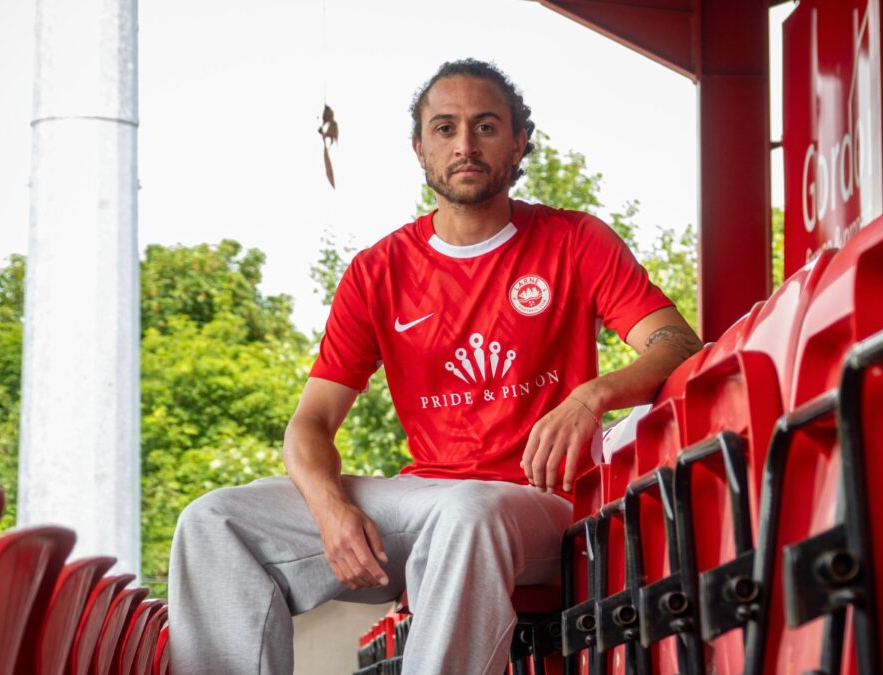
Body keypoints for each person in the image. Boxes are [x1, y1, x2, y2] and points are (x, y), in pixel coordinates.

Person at [168, 58, 702, 675]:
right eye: (445, 128)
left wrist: (591, 396)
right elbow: (309, 425)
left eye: (486, 126)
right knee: (213, 521)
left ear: (519, 142)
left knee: (468, 511)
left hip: (536, 501)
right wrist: (330, 509)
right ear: (419, 149)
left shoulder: (575, 241)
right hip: (423, 499)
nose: (465, 144)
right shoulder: (377, 271)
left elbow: (677, 345)